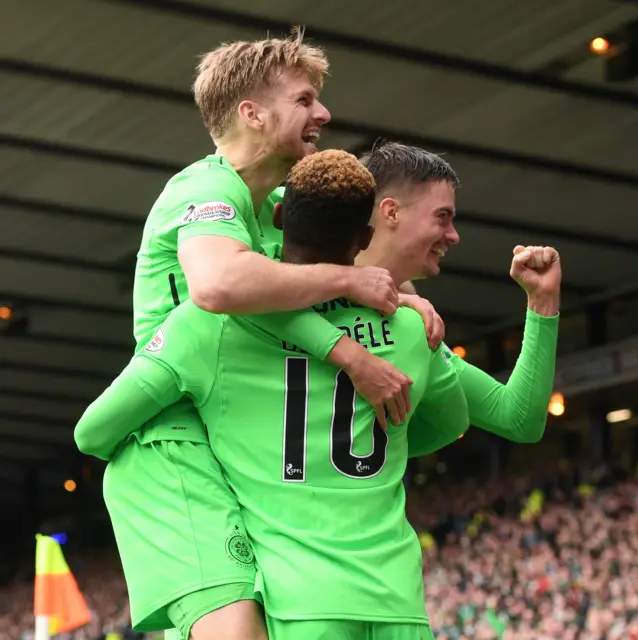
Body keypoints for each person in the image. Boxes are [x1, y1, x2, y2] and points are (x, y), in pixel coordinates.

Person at [86, 30, 431, 640]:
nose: (323, 113)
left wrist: (403, 297)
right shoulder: (204, 188)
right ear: (251, 113)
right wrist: (350, 330)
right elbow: (220, 286)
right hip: (170, 437)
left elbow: (291, 291)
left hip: (233, 437)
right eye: (304, 100)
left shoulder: (273, 203)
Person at [356, 141, 560, 456]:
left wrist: (542, 301)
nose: (454, 235)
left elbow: (519, 418)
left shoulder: (412, 326)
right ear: (391, 211)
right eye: (442, 217)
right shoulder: (287, 282)